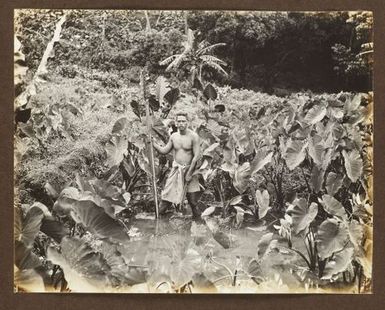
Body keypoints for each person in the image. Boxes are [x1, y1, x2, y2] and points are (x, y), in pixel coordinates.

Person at [151, 111, 202, 218]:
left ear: (187, 122)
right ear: (176, 123)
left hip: (190, 170)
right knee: (166, 199)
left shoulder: (194, 136)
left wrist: (189, 173)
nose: (181, 123)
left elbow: (196, 157)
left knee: (193, 202)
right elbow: (164, 150)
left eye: (183, 121)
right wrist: (153, 144)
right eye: (179, 121)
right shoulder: (174, 136)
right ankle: (158, 223)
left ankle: (199, 224)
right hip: (176, 171)